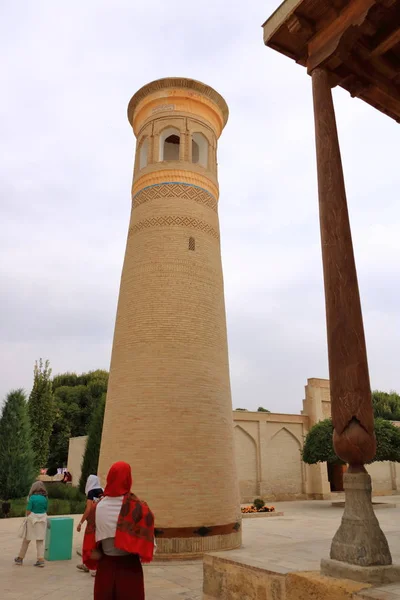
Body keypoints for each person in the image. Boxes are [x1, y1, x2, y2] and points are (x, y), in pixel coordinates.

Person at [83, 461, 155, 600]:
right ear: (128, 479)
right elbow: (149, 547)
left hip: (106, 568)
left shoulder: (97, 508)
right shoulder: (139, 508)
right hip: (130, 568)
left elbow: (90, 551)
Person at [14, 481, 48, 567]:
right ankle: (40, 560)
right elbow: (45, 509)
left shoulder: (32, 498)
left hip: (32, 521)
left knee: (26, 540)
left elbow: (28, 511)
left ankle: (20, 558)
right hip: (42, 520)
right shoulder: (45, 498)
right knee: (40, 540)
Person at [77, 474, 104, 575]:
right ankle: (88, 565)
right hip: (102, 521)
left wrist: (80, 523)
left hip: (92, 523)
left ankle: (93, 568)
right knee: (98, 544)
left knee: (89, 544)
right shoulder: (102, 490)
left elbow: (88, 509)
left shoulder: (91, 492)